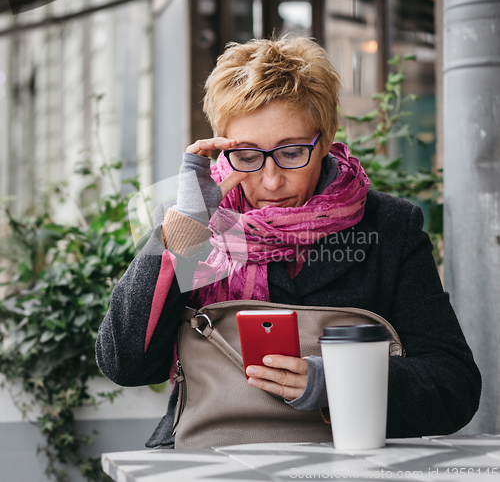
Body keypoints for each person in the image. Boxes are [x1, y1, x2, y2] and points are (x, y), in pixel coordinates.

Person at [95, 36, 481, 449]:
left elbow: (453, 384)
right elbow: (127, 365)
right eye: (247, 155)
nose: (272, 180)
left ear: (325, 141)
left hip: (349, 464)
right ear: (223, 151)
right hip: (208, 455)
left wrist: (339, 384)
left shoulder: (389, 226)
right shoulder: (196, 226)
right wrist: (187, 230)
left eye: (293, 151)